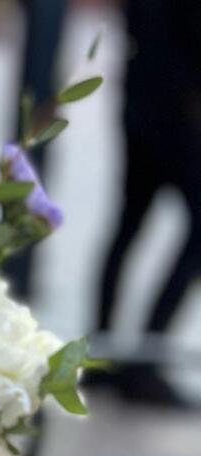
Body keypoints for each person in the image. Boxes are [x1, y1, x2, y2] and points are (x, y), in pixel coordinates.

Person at [93, 0, 201, 405]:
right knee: (179, 231)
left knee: (128, 224)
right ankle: (142, 361)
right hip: (179, 109)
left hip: (141, 94)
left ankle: (104, 353)